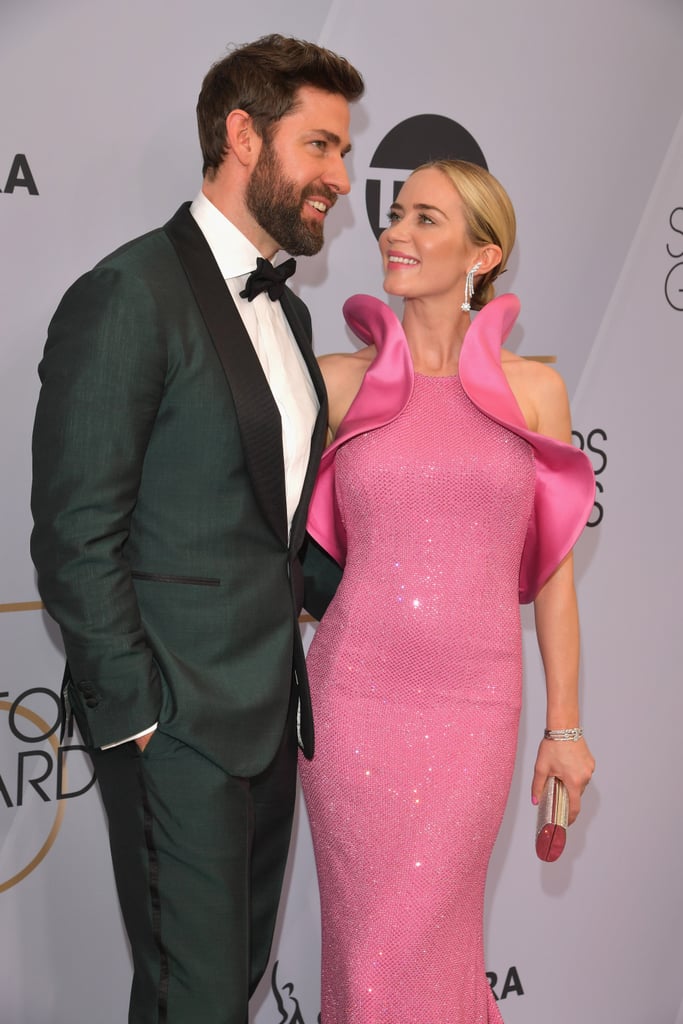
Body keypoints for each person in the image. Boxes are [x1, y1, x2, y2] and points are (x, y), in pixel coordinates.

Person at [30, 34, 363, 1024]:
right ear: (241, 135)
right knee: (200, 999)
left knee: (208, 994)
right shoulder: (131, 293)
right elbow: (74, 531)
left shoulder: (290, 319)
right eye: (321, 147)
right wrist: (136, 715)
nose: (341, 179)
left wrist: (401, 590)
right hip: (171, 722)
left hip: (267, 716)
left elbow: (271, 528)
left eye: (345, 153)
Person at [299, 159, 596, 1022]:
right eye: (396, 215)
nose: (394, 232)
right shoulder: (338, 381)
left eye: (426, 219)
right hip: (349, 709)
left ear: (482, 253)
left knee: (425, 952)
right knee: (366, 964)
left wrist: (564, 728)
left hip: (471, 716)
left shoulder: (534, 392)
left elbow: (552, 578)